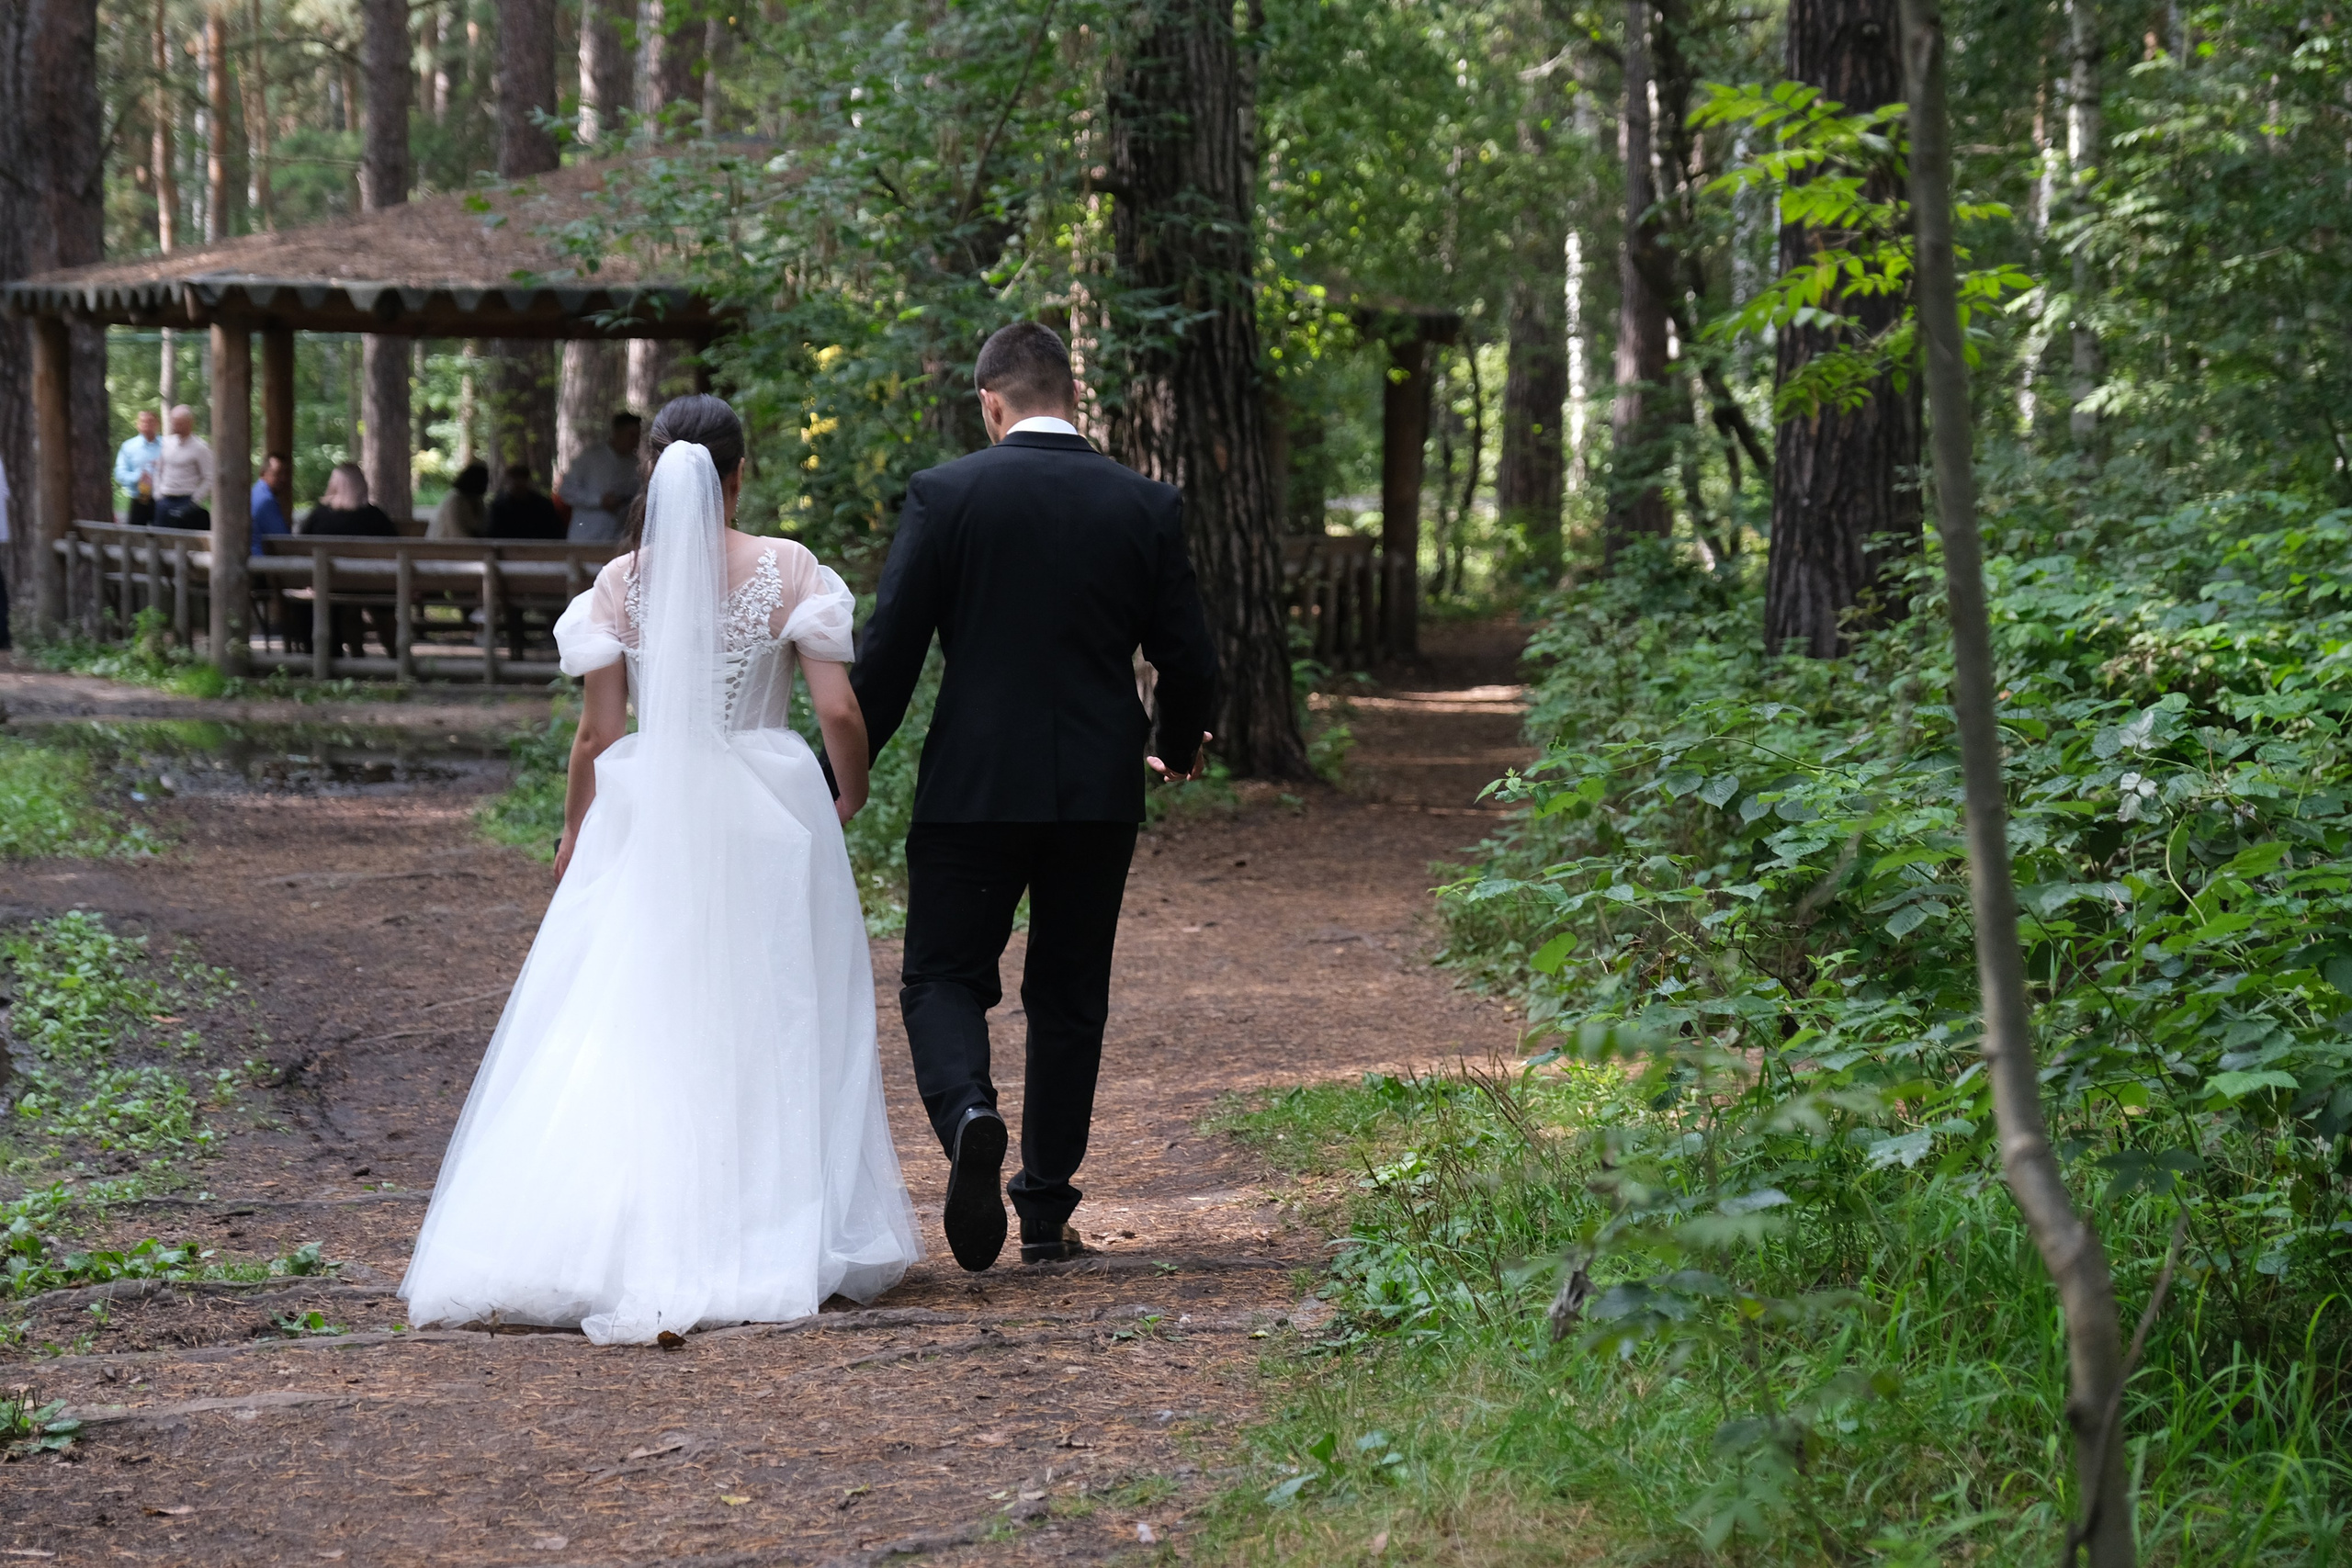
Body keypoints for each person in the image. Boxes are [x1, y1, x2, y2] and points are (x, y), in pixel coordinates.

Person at [401, 394, 920, 1344]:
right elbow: (839, 712)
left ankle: (622, 1228)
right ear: (739, 474)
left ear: (650, 472)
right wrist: (850, 791)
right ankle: (769, 1223)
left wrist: (573, 834)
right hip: (766, 806)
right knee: (775, 1008)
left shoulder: (617, 584)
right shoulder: (788, 567)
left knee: (636, 1013)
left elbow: (599, 733)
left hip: (648, 808)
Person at [852, 321, 1217, 1271]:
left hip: (970, 787)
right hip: (1096, 791)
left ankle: (971, 1112)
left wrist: (838, 776)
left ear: (990, 403)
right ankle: (1046, 1213)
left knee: (941, 975)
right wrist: (1174, 747)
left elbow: (887, 660)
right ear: (1069, 395)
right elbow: (1192, 659)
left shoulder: (947, 495)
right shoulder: (1144, 504)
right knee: (1069, 995)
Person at [298, 463, 399, 660]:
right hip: (375, 585)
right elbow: (395, 549)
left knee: (347, 606)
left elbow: (301, 546)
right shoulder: (375, 516)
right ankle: (396, 655)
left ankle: (357, 655)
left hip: (330, 585)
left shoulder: (318, 516)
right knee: (379, 608)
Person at [557, 412, 643, 542]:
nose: (635, 441)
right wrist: (599, 501)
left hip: (616, 540)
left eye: (638, 436)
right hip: (586, 538)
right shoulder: (590, 457)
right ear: (617, 432)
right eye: (631, 435)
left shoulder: (634, 465)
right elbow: (566, 491)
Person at [152, 405, 214, 531]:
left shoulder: (200, 447)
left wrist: (194, 501)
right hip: (164, 500)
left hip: (185, 501)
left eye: (179, 423)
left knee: (185, 542)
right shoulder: (166, 443)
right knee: (161, 540)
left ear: (189, 423)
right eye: (173, 422)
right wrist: (157, 494)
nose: (175, 426)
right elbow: (158, 470)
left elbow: (210, 477)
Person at [486, 464, 565, 540]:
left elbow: (554, 531)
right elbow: (493, 533)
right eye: (514, 479)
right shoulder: (500, 506)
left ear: (527, 480)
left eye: (520, 479)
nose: (517, 483)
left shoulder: (542, 505)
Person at [113, 409, 163, 526]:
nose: (147, 425)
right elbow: (119, 473)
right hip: (139, 498)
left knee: (163, 536)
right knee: (136, 537)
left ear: (157, 424)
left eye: (150, 422)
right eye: (143, 422)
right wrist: (138, 476)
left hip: (162, 499)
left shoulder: (167, 445)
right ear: (138, 425)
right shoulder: (129, 447)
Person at [428, 461, 491, 539]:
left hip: (469, 546)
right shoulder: (454, 499)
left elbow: (482, 527)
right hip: (443, 546)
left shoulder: (478, 500)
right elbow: (456, 531)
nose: (486, 485)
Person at [250, 453, 292, 552]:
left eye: (285, 473)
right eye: (278, 473)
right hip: (259, 563)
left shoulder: (254, 493)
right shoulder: (266, 501)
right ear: (263, 473)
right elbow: (285, 541)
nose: (283, 478)